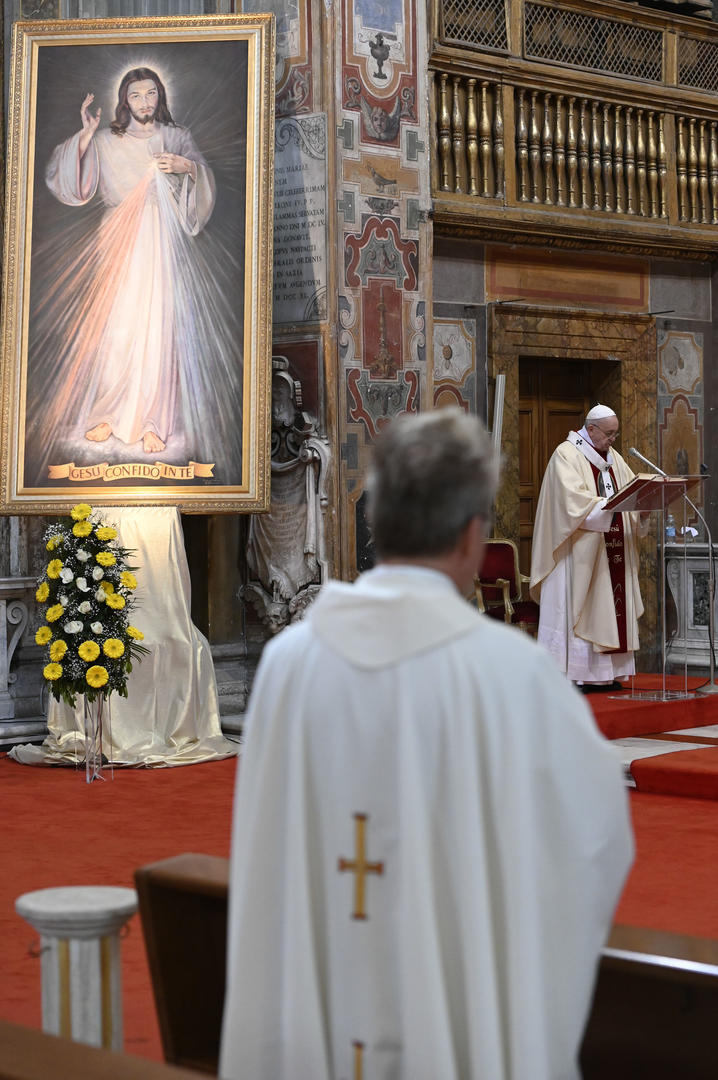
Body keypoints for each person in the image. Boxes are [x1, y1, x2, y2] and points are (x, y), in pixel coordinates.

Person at [220, 407, 633, 1080]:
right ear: (474, 534)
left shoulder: (290, 665)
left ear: (376, 523)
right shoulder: (514, 674)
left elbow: (270, 861)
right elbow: (592, 843)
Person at [29, 66, 242, 482]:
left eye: (150, 94)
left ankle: (151, 422)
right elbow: (68, 182)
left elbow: (202, 183)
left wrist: (187, 167)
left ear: (159, 96)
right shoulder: (108, 140)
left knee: (157, 330)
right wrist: (88, 133)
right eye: (135, 96)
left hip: (161, 243)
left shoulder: (176, 137)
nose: (144, 103)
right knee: (117, 331)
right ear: (124, 100)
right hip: (117, 242)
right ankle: (108, 412)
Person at [530, 404, 647, 691]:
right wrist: (607, 506)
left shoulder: (614, 458)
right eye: (608, 433)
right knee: (579, 608)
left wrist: (643, 505)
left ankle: (607, 675)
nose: (612, 439)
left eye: (615, 434)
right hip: (577, 557)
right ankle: (577, 675)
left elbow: (630, 490)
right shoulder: (566, 455)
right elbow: (571, 504)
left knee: (611, 606)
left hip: (610, 554)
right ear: (591, 428)